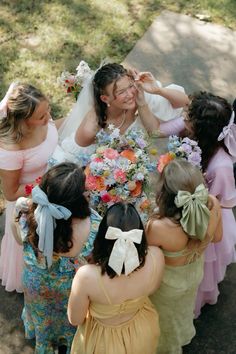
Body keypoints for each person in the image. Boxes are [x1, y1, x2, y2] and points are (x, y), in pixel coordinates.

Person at [135, 73, 236, 316]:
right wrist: (143, 100)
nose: (182, 118)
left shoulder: (220, 167)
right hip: (180, 206)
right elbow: (156, 130)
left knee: (196, 273)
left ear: (201, 129)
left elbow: (215, 206)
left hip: (206, 221)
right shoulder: (192, 127)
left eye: (187, 118)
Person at [11, 162, 101, 354]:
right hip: (73, 291)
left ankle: (45, 344)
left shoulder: (27, 215)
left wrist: (17, 211)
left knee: (43, 318)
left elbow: (18, 240)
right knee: (71, 320)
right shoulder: (93, 224)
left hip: (37, 286)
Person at [146, 159, 222, 354]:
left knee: (163, 320)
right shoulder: (213, 204)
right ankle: (180, 340)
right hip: (194, 271)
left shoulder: (159, 227)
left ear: (165, 193)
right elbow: (217, 238)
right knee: (181, 312)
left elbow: (146, 258)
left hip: (167, 284)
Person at [68, 202, 164, 354]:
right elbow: (154, 288)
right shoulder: (156, 255)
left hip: (103, 341)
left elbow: (75, 319)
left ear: (103, 236)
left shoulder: (86, 276)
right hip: (141, 331)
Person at [49, 62, 189, 165]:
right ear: (105, 99)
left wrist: (156, 91)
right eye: (121, 92)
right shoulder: (91, 126)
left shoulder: (136, 98)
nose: (129, 94)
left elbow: (185, 103)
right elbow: (75, 160)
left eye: (130, 87)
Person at [0, 82, 64, 292]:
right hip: (29, 207)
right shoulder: (11, 149)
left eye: (48, 111)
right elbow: (10, 193)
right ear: (23, 121)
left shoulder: (43, 116)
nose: (48, 118)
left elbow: (53, 132)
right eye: (42, 116)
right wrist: (43, 181)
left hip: (54, 190)